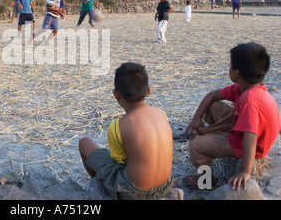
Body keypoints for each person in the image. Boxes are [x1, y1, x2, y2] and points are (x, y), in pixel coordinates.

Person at [184, 42, 280, 190]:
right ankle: (210, 134)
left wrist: (245, 171)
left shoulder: (250, 100)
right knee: (213, 105)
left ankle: (206, 181)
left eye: (230, 65)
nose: (228, 68)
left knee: (196, 146)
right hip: (241, 128)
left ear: (237, 73)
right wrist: (196, 118)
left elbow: (250, 136)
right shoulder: (245, 88)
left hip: (250, 144)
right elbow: (212, 95)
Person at [78, 62, 174, 200]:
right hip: (165, 185)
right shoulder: (161, 114)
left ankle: (105, 189)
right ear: (148, 90)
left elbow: (119, 161)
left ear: (116, 94)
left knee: (85, 143)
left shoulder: (118, 126)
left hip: (134, 192)